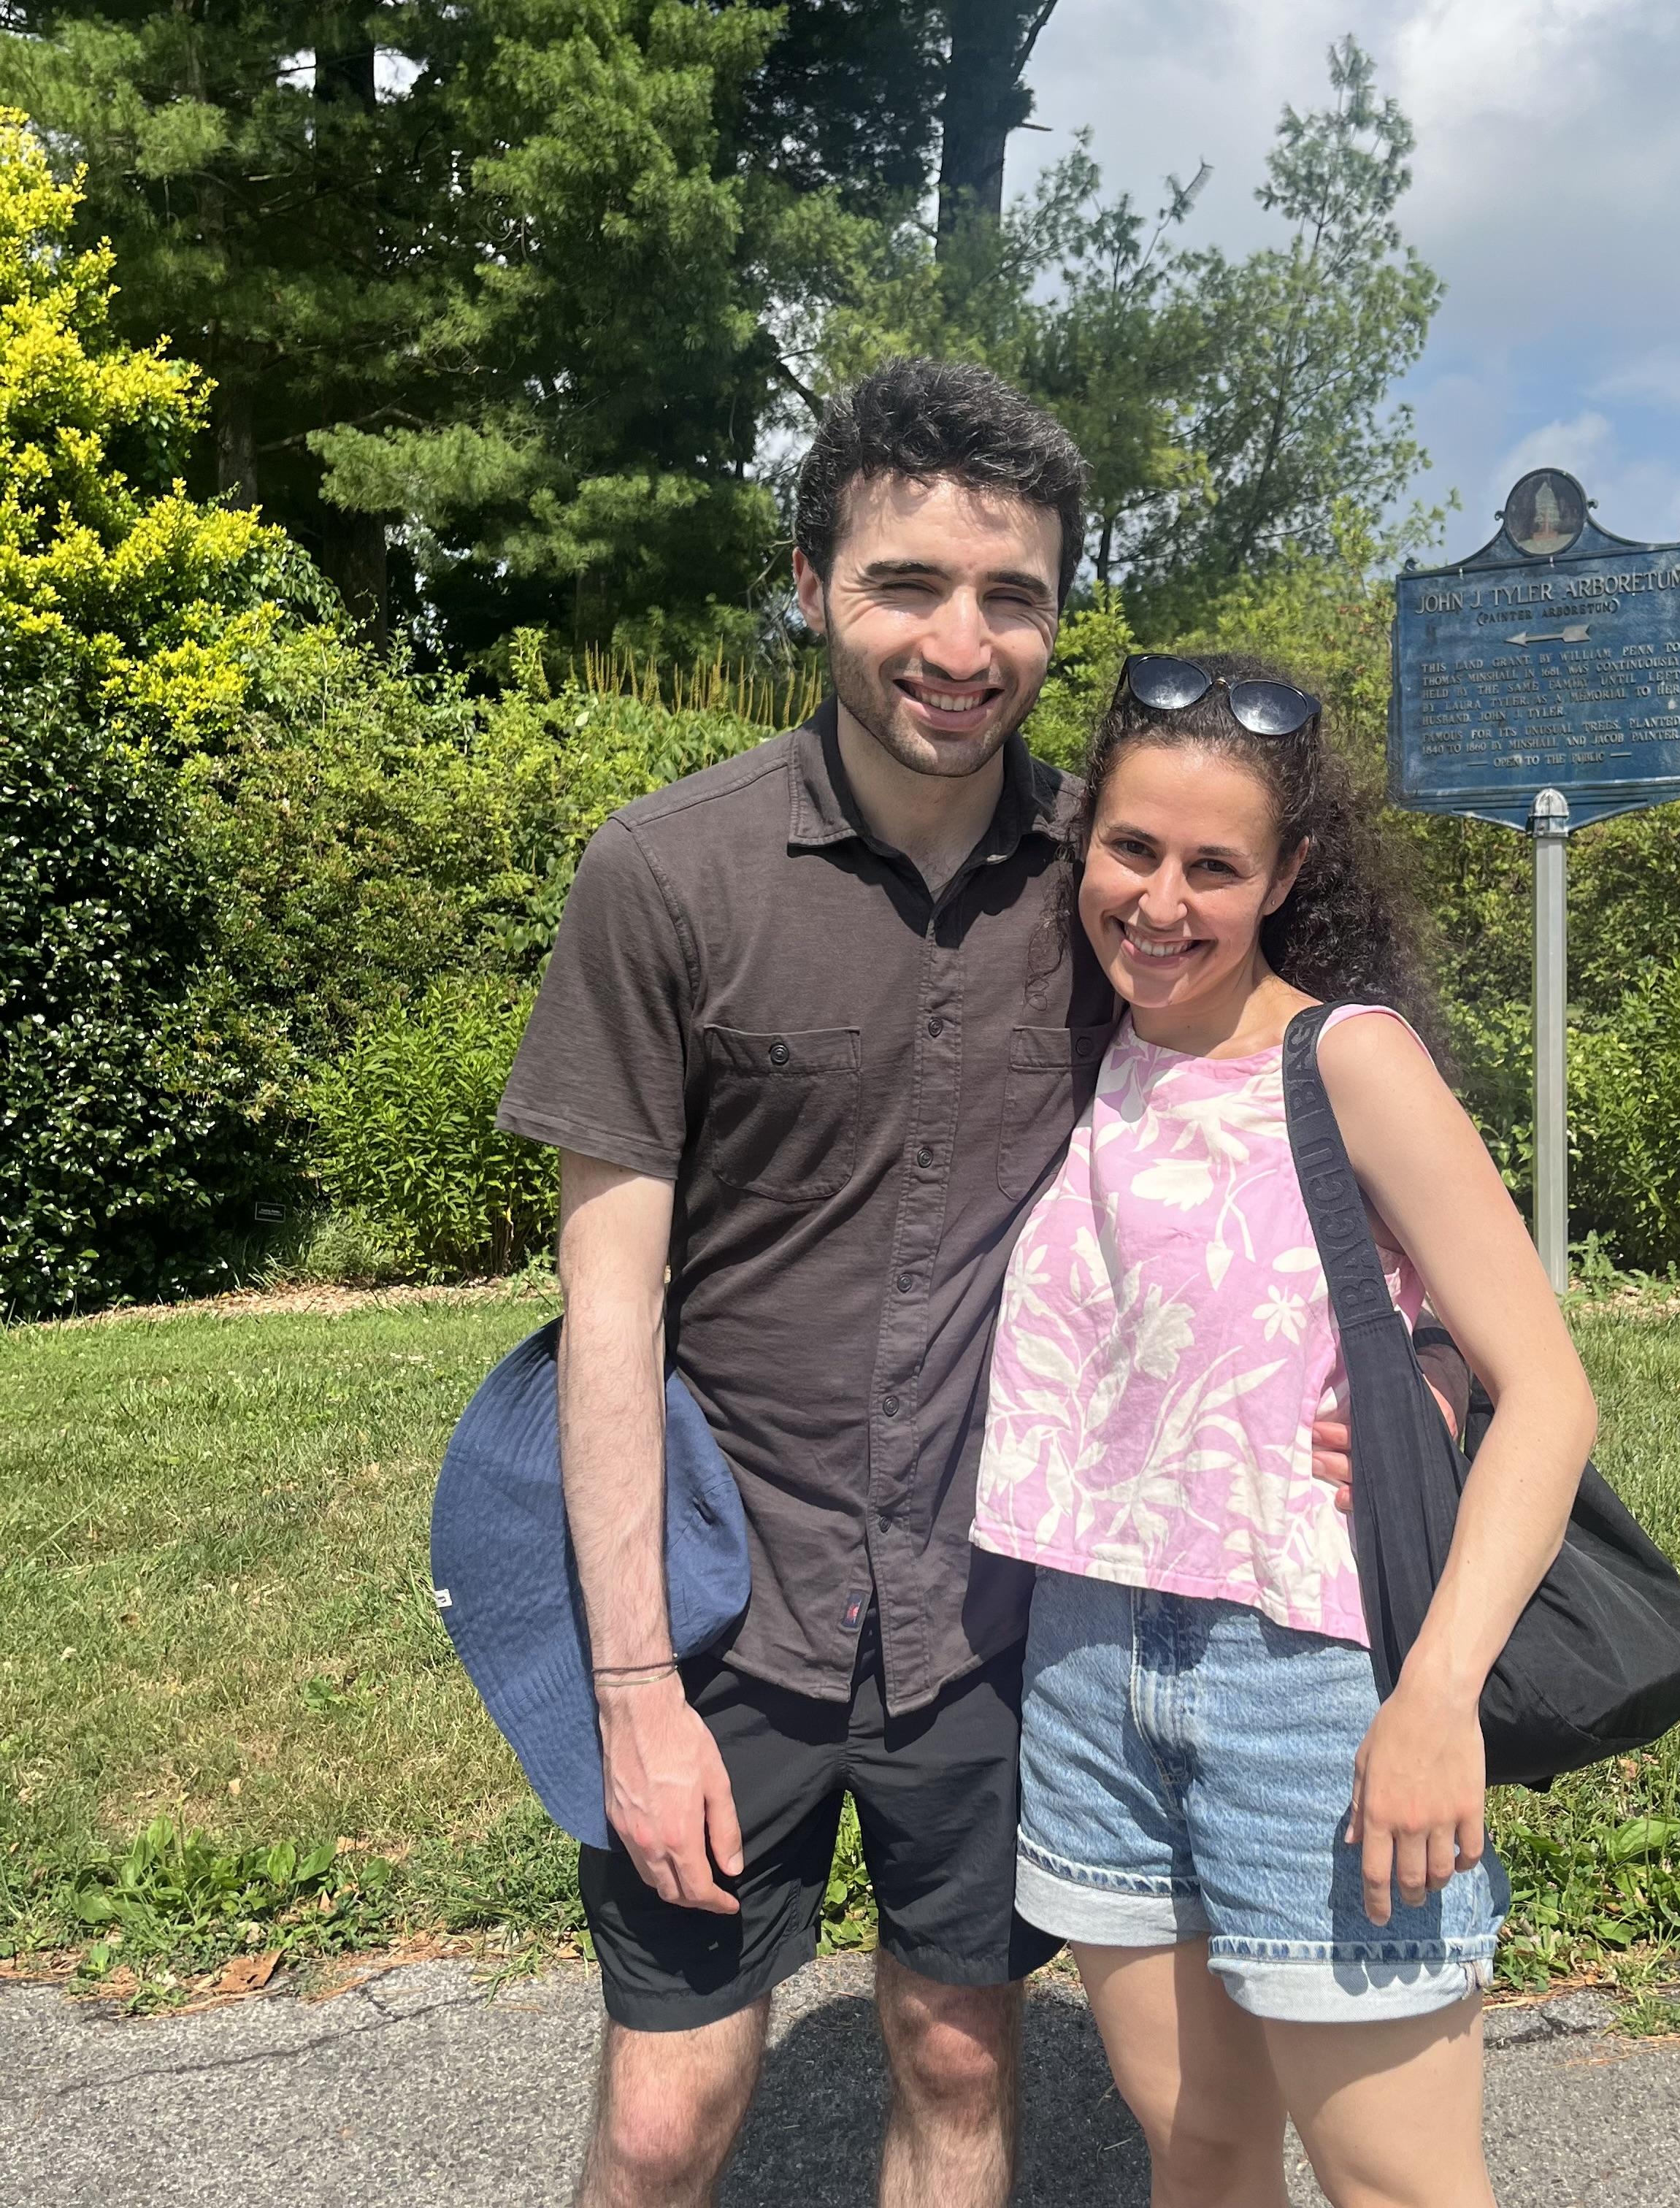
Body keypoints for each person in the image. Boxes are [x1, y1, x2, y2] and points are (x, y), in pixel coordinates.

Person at [493, 363, 1472, 2208]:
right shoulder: (665, 876)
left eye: (1010, 596)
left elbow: (1308, 1106)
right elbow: (604, 1315)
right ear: (809, 586)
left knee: (957, 2053)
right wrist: (630, 1688)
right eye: (906, 586)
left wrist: (1417, 1363)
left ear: (1055, 614)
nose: (960, 642)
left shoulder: (1118, 889)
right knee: (660, 2115)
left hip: (1001, 1613)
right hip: (730, 1611)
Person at [970, 652, 1597, 2208]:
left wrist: (1436, 1695)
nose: (1160, 902)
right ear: (1084, 847)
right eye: (1131, 851)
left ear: (1288, 874)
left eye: (1214, 867)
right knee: (1202, 2147)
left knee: (1396, 2182)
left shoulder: (1348, 1061)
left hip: (1308, 1685)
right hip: (1085, 1662)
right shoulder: (1083, 1047)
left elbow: (1553, 1393)